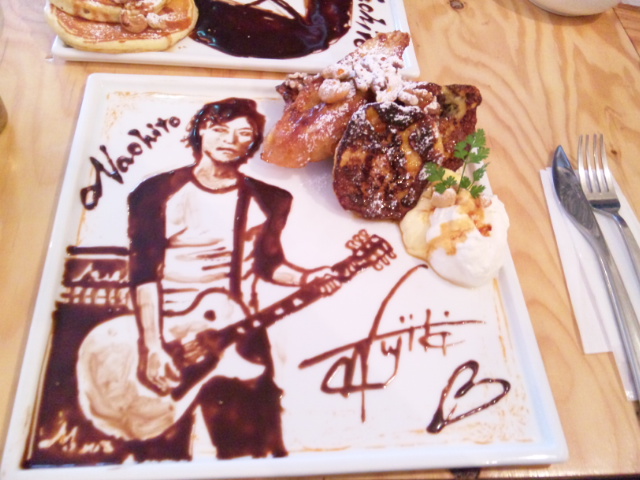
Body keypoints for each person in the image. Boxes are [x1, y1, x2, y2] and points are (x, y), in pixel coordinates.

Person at [126, 97, 340, 458]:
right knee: (158, 454)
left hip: (238, 332)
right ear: (200, 131)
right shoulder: (156, 193)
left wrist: (307, 278)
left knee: (254, 450)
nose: (230, 140)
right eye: (220, 129)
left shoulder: (269, 199)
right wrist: (151, 346)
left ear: (253, 143)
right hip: (172, 335)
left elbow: (270, 265)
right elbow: (143, 273)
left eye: (244, 133)